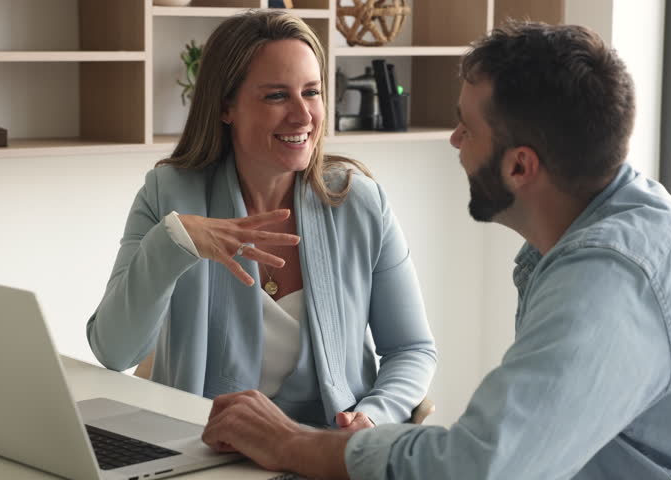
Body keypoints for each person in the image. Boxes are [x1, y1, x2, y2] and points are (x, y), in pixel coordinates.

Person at [200, 21, 671, 479]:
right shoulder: (602, 230)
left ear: (520, 166)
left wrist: (293, 445)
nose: (455, 142)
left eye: (466, 128)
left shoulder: (611, 282)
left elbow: (476, 468)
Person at [85, 10, 436, 430]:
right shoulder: (168, 196)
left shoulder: (360, 203)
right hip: (203, 447)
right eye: (276, 96)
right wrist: (173, 243)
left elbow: (412, 348)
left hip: (325, 450)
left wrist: (372, 416)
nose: (303, 115)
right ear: (225, 106)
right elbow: (114, 351)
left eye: (312, 92)